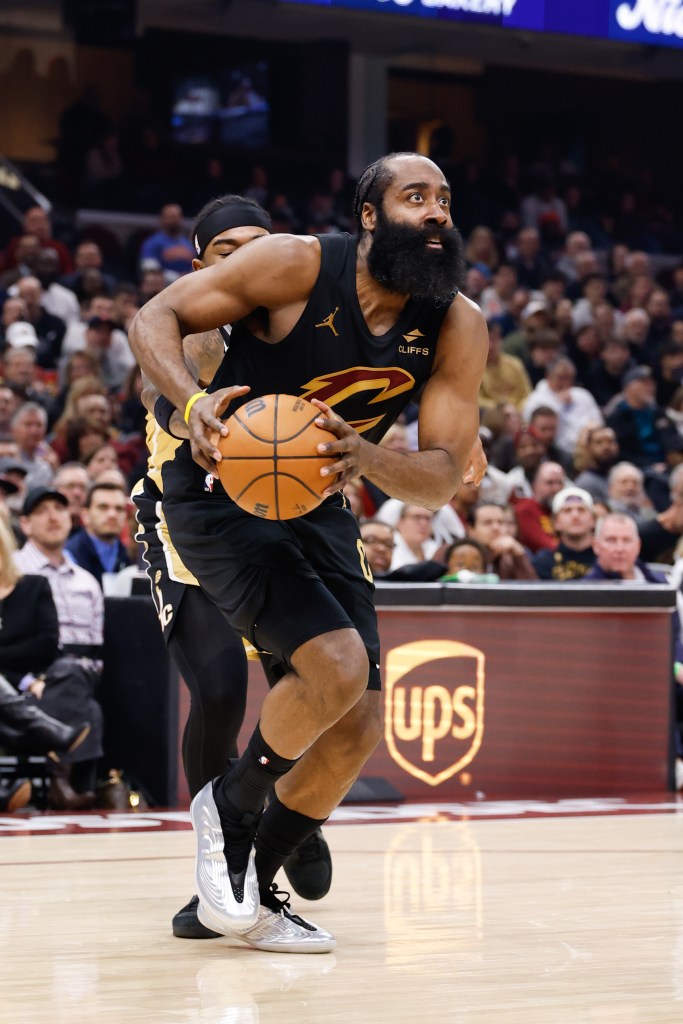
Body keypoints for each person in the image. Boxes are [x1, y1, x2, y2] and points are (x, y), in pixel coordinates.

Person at [129, 152, 487, 952]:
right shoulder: (295, 263)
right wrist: (190, 408)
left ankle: (257, 888)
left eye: (445, 201)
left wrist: (366, 457)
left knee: (357, 721)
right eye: (414, 197)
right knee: (326, 664)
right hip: (220, 490)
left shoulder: (458, 323)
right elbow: (153, 318)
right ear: (369, 216)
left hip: (318, 500)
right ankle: (229, 802)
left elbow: (436, 482)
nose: (435, 213)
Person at [132, 195, 335, 941]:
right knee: (218, 690)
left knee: (306, 683)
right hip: (184, 521)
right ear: (199, 267)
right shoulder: (185, 331)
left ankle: (279, 816)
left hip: (274, 520)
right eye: (228, 251)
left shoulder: (304, 329)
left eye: (260, 245)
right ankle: (220, 854)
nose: (246, 260)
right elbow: (164, 401)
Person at [14, 486, 105, 805]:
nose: (53, 516)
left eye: (59, 508)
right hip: (26, 679)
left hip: (77, 677)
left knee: (78, 676)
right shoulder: (11, 572)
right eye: (41, 510)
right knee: (87, 706)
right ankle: (76, 786)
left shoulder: (87, 581)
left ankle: (64, 784)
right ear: (24, 524)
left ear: (71, 518)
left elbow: (97, 648)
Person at [64, 481, 131, 588]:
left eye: (119, 509)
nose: (112, 514)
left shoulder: (132, 556)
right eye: (103, 507)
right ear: (85, 516)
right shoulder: (69, 556)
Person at [533, 486, 597, 580]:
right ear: (556, 522)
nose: (575, 516)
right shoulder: (544, 561)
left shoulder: (605, 560)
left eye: (581, 510)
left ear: (593, 520)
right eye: (567, 511)